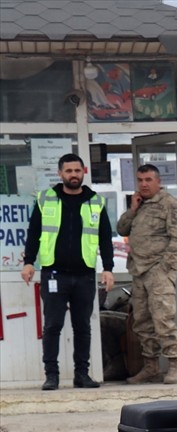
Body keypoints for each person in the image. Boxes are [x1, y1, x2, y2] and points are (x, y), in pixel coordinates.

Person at [20, 153, 116, 390]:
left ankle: (81, 375)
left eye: (77, 171)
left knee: (82, 326)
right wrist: (29, 262)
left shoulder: (96, 201)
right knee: (52, 326)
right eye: (68, 171)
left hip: (84, 274)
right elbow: (33, 233)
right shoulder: (46, 199)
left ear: (83, 171)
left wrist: (108, 269)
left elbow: (105, 238)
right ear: (60, 173)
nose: (73, 175)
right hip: (54, 273)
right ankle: (51, 375)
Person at [117, 164, 177, 384]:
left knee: (163, 319)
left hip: (158, 271)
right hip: (138, 271)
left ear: (158, 181)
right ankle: (151, 366)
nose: (144, 184)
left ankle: (175, 366)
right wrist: (132, 209)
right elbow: (121, 229)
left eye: (148, 180)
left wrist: (166, 268)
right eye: (140, 180)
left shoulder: (169, 205)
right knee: (142, 321)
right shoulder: (140, 205)